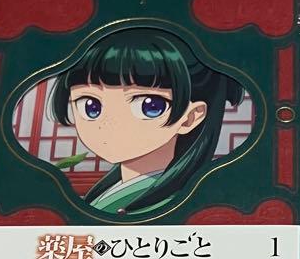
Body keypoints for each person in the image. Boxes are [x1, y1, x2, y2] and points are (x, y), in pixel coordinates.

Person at [49, 28, 243, 216]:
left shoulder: (174, 203)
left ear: (190, 117)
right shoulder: (111, 191)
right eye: (91, 106)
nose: (110, 123)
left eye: (149, 106)